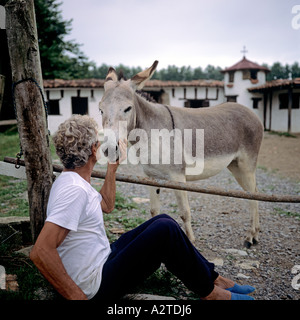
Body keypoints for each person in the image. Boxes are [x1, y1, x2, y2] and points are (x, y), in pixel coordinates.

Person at [30, 115, 255, 300]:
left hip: (100, 259)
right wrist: (76, 297)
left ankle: (214, 278)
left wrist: (112, 168)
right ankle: (213, 294)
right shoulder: (74, 191)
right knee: (165, 230)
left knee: (162, 220)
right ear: (93, 149)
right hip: (94, 285)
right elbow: (40, 251)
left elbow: (106, 206)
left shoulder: (73, 180)